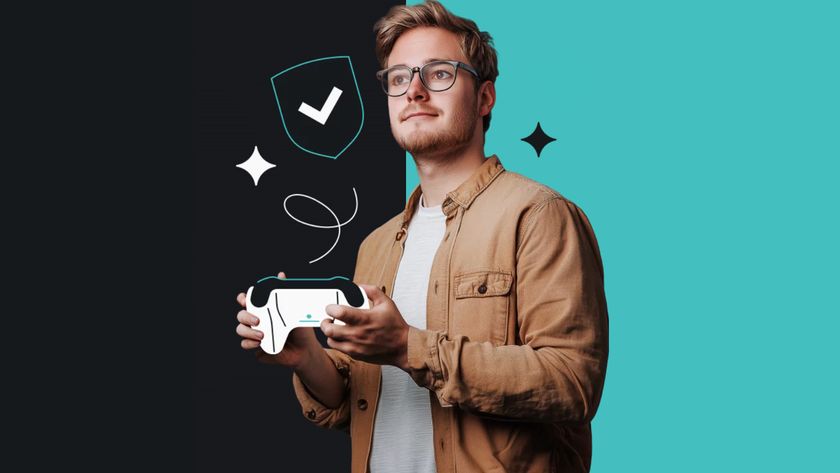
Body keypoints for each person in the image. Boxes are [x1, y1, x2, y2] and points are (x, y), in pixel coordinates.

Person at [235, 1, 609, 471]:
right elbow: (362, 405)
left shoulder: (538, 216)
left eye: (439, 74)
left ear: (485, 98)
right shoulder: (375, 245)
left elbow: (573, 383)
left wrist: (407, 347)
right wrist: (307, 357)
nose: (414, 90)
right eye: (398, 78)